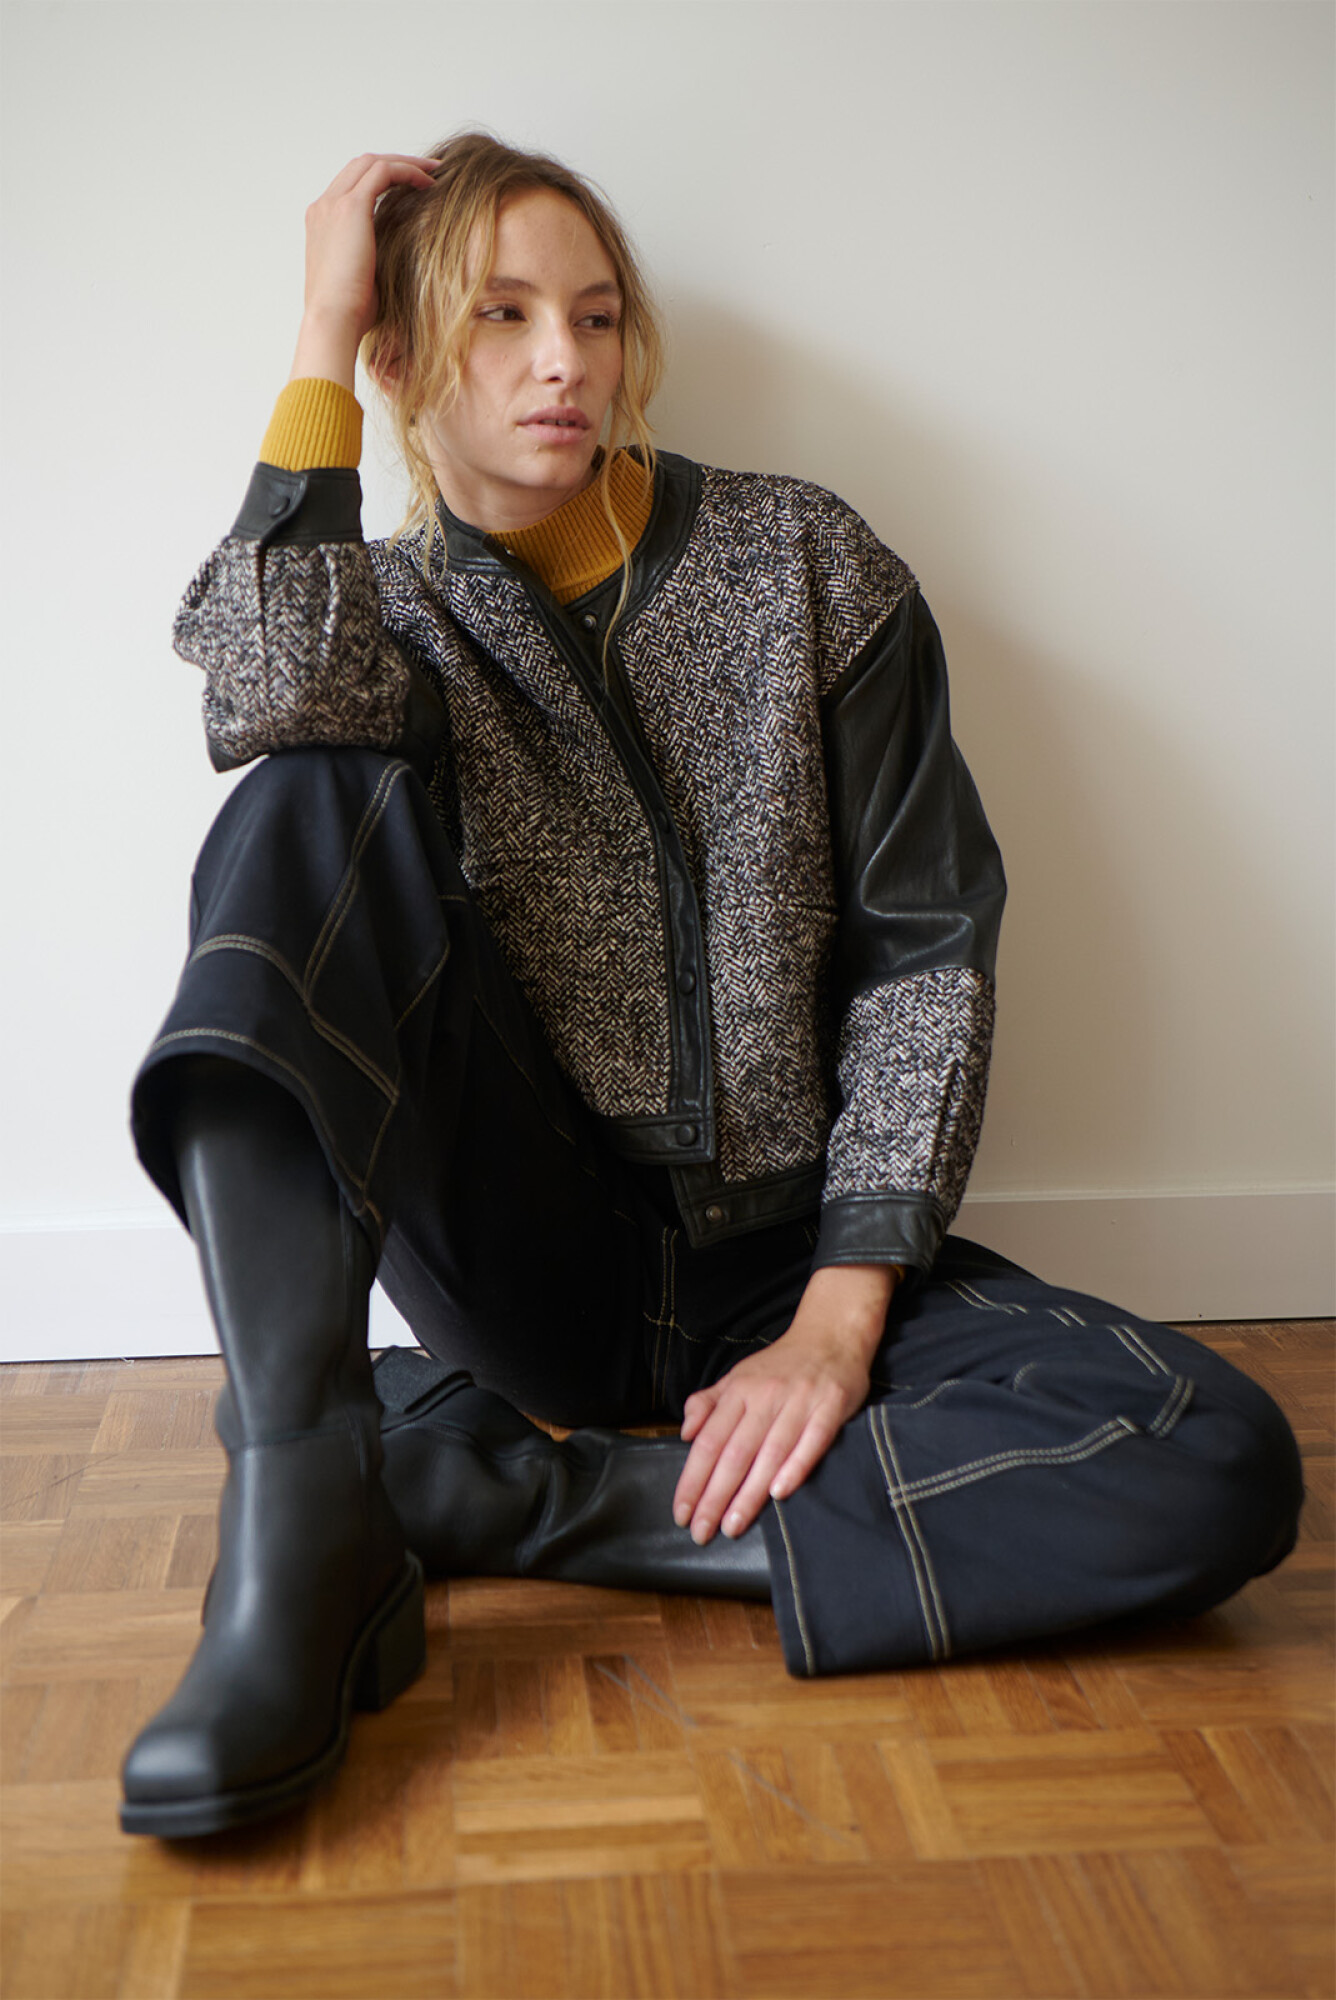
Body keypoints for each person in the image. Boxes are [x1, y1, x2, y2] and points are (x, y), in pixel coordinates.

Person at [119, 134, 1303, 1839]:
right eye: (500, 316)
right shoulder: (380, 618)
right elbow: (267, 690)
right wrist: (320, 326)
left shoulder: (800, 563)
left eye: (596, 317)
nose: (563, 361)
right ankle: (296, 1534)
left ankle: (506, 1500)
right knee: (304, 787)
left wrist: (838, 1321)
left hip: (786, 1261)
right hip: (531, 1260)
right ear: (400, 351)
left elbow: (926, 957)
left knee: (1208, 1451)